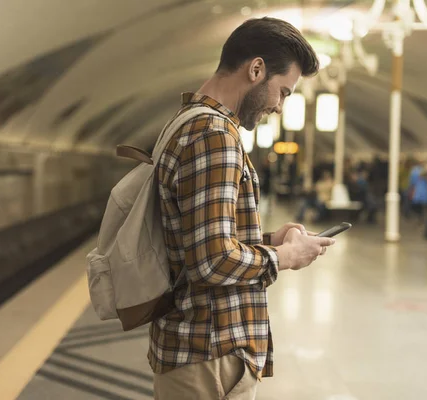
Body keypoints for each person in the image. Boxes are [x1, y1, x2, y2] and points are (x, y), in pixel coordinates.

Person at [151, 17, 336, 400]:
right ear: (256, 69)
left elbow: (200, 240)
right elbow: (212, 262)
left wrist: (267, 239)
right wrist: (284, 256)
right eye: (283, 92)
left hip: (198, 350)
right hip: (209, 352)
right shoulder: (214, 136)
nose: (280, 107)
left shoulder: (189, 120)